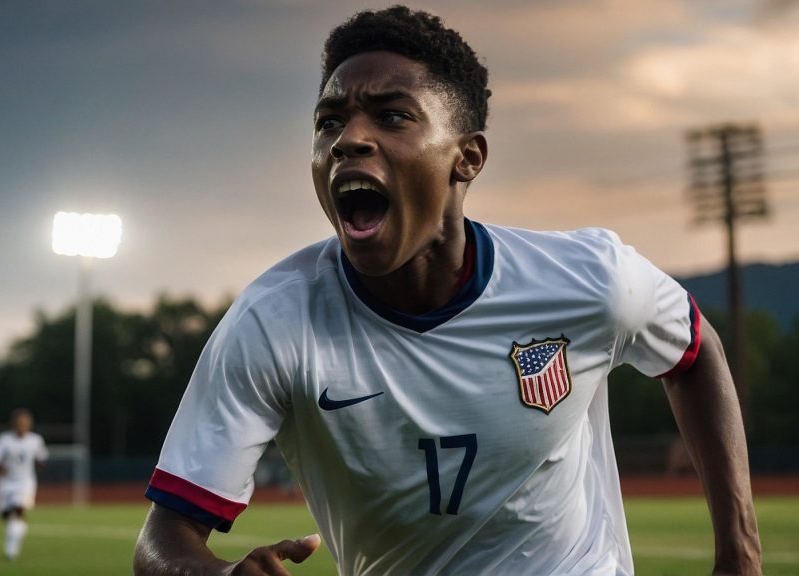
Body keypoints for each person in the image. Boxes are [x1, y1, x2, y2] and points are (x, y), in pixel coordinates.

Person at [134, 6, 762, 575]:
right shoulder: (272, 322)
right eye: (329, 121)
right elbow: (163, 540)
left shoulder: (589, 280)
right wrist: (214, 575)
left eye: (392, 115)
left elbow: (693, 349)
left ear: (468, 158)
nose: (347, 139)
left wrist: (740, 554)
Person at [0, 408, 48, 560]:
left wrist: (40, 463)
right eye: (19, 423)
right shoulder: (4, 440)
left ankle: (11, 552)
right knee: (5, 515)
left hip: (25, 482)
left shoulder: (36, 440)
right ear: (13, 424)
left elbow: (42, 458)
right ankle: (17, 528)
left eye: (25, 423)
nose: (22, 426)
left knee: (18, 509)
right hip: (5, 483)